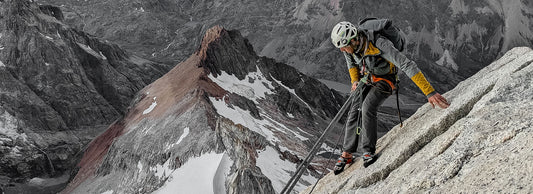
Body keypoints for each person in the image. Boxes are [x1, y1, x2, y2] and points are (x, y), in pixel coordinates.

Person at [330, 21, 450, 172]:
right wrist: (354, 81)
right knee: (355, 108)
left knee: (367, 107)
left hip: (386, 80)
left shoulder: (379, 43)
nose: (342, 50)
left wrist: (429, 92)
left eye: (344, 46)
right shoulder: (349, 48)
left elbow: (407, 65)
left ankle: (368, 150)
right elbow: (352, 65)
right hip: (367, 78)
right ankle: (347, 152)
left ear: (354, 40)